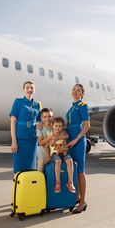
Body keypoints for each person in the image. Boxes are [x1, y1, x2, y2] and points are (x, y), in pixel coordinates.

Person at [66, 84, 90, 214]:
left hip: (78, 141)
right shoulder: (72, 107)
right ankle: (77, 197)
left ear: (82, 94)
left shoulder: (82, 106)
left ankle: (83, 202)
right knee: (74, 169)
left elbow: (87, 125)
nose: (75, 92)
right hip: (70, 141)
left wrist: (77, 139)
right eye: (74, 89)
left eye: (78, 90)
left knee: (80, 170)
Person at [10, 81, 41, 173]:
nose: (29, 90)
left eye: (32, 88)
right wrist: (14, 142)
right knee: (18, 168)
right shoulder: (18, 102)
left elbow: (40, 121)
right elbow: (12, 123)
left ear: (34, 90)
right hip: (20, 140)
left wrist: (40, 124)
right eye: (27, 87)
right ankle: (19, 187)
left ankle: (29, 187)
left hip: (32, 140)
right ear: (23, 90)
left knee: (31, 168)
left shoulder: (37, 105)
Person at [45, 117, 76, 193]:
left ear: (62, 127)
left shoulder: (63, 134)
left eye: (59, 126)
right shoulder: (50, 135)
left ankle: (70, 182)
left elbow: (66, 144)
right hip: (55, 154)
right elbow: (47, 146)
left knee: (70, 161)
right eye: (56, 126)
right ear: (52, 125)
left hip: (64, 153)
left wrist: (65, 149)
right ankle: (58, 183)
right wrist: (48, 156)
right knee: (58, 161)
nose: (57, 128)